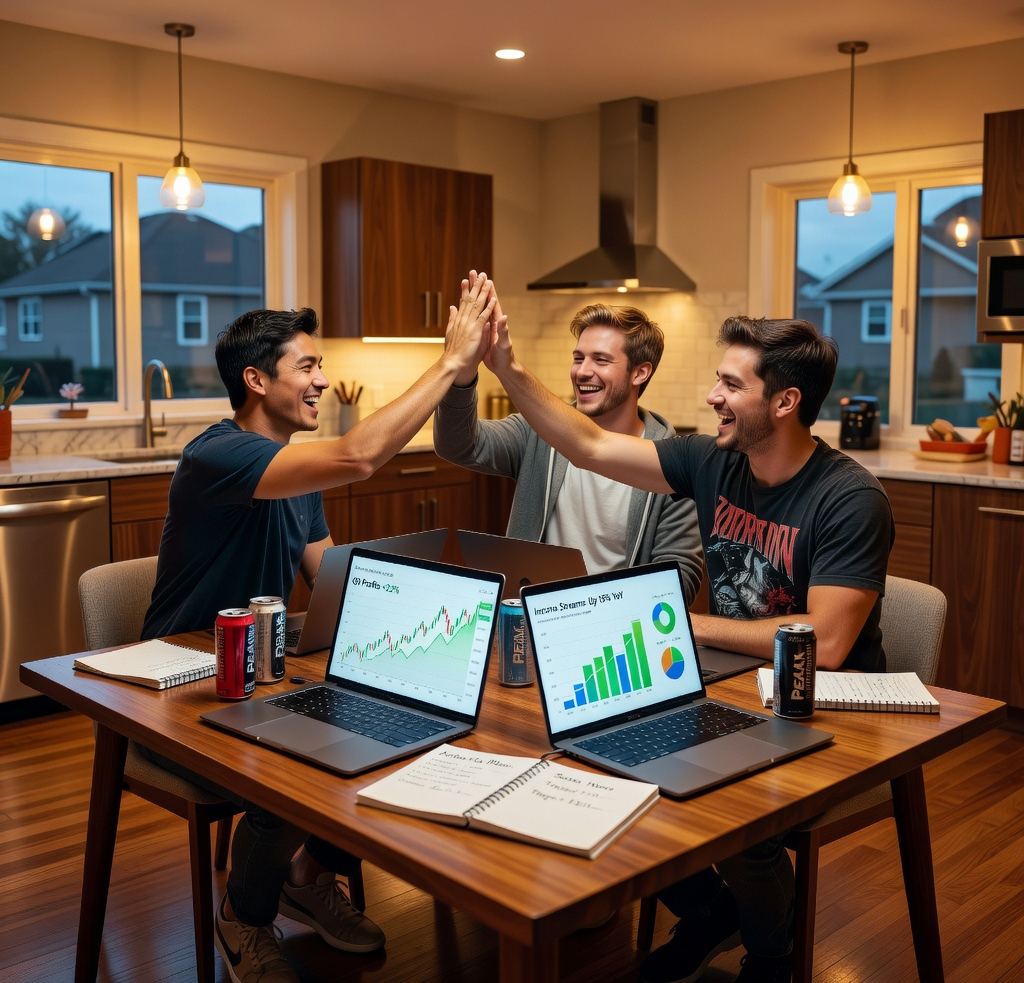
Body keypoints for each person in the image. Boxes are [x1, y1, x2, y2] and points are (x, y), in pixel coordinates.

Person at [477, 276, 893, 983]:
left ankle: (772, 954)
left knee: (738, 819)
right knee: (594, 752)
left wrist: (691, 625)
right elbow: (588, 447)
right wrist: (504, 366)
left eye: (730, 385)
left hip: (822, 704)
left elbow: (825, 642)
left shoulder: (849, 497)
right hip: (727, 685)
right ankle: (707, 914)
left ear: (785, 402)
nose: (711, 397)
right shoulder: (713, 460)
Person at [141, 282, 496, 983]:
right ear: (256, 380)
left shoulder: (294, 471)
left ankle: (305, 875)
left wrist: (418, 610)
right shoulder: (219, 457)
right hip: (181, 687)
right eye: (307, 367)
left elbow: (326, 580)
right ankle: (243, 917)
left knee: (396, 718)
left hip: (258, 675)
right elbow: (359, 457)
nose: (323, 381)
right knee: (303, 765)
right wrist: (451, 364)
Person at [433, 291, 702, 601]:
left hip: (616, 627)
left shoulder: (671, 464)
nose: (583, 371)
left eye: (601, 360)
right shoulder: (539, 431)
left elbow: (681, 576)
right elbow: (458, 445)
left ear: (640, 372)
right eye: (578, 358)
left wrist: (598, 607)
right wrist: (463, 372)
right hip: (531, 616)